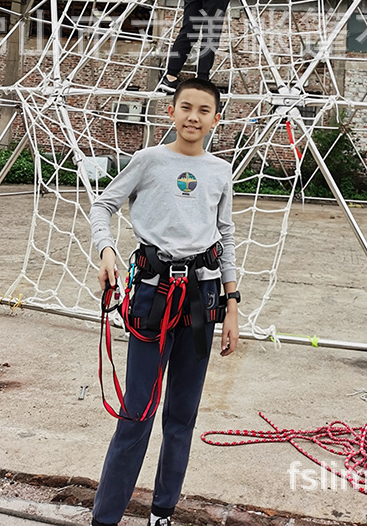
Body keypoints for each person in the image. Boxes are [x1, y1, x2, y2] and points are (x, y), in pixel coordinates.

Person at [89, 77, 239, 526]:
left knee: (182, 416)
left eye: (204, 110)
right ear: (171, 111)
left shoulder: (220, 171)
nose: (193, 117)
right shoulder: (148, 160)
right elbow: (102, 206)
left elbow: (226, 236)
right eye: (185, 107)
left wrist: (232, 305)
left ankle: (162, 512)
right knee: (137, 412)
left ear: (216, 119)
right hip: (152, 297)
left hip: (202, 300)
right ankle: (106, 518)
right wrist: (107, 250)